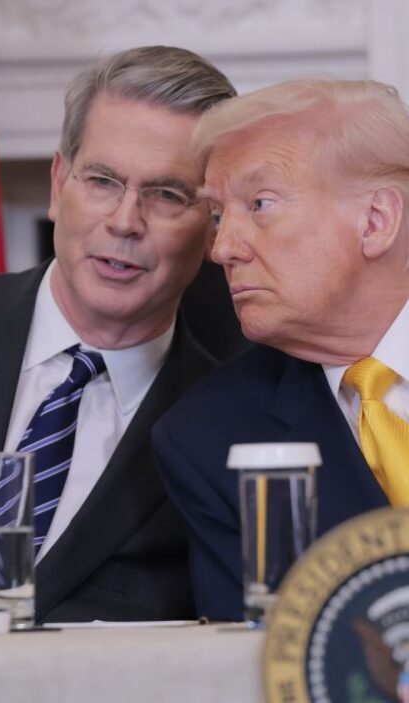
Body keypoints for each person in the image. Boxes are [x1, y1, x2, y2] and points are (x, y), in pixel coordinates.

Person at [0, 46, 237, 622]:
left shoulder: (231, 425)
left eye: (167, 195)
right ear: (58, 183)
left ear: (216, 227)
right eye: (102, 180)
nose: (124, 221)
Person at [153, 78, 409, 621]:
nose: (222, 248)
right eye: (218, 216)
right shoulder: (207, 437)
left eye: (260, 204)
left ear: (376, 221)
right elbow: (258, 653)